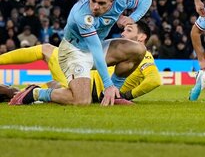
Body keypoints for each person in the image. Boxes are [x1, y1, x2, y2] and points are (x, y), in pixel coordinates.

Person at [9, 0, 152, 106]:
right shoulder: (82, 15)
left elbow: (146, 0)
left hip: (97, 46)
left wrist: (131, 18)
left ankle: (113, 95)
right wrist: (107, 84)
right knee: (82, 101)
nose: (95, 6)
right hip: (74, 52)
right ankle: (36, 93)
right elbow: (95, 48)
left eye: (101, 3)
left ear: (112, 1)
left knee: (139, 49)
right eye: (93, 0)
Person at [1, 21, 161, 103]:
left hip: (87, 86)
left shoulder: (143, 54)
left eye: (129, 30)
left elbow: (154, 80)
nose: (123, 33)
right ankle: (9, 92)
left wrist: (126, 95)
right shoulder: (124, 55)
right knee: (21, 94)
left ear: (142, 37)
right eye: (124, 29)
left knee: (47, 50)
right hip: (84, 80)